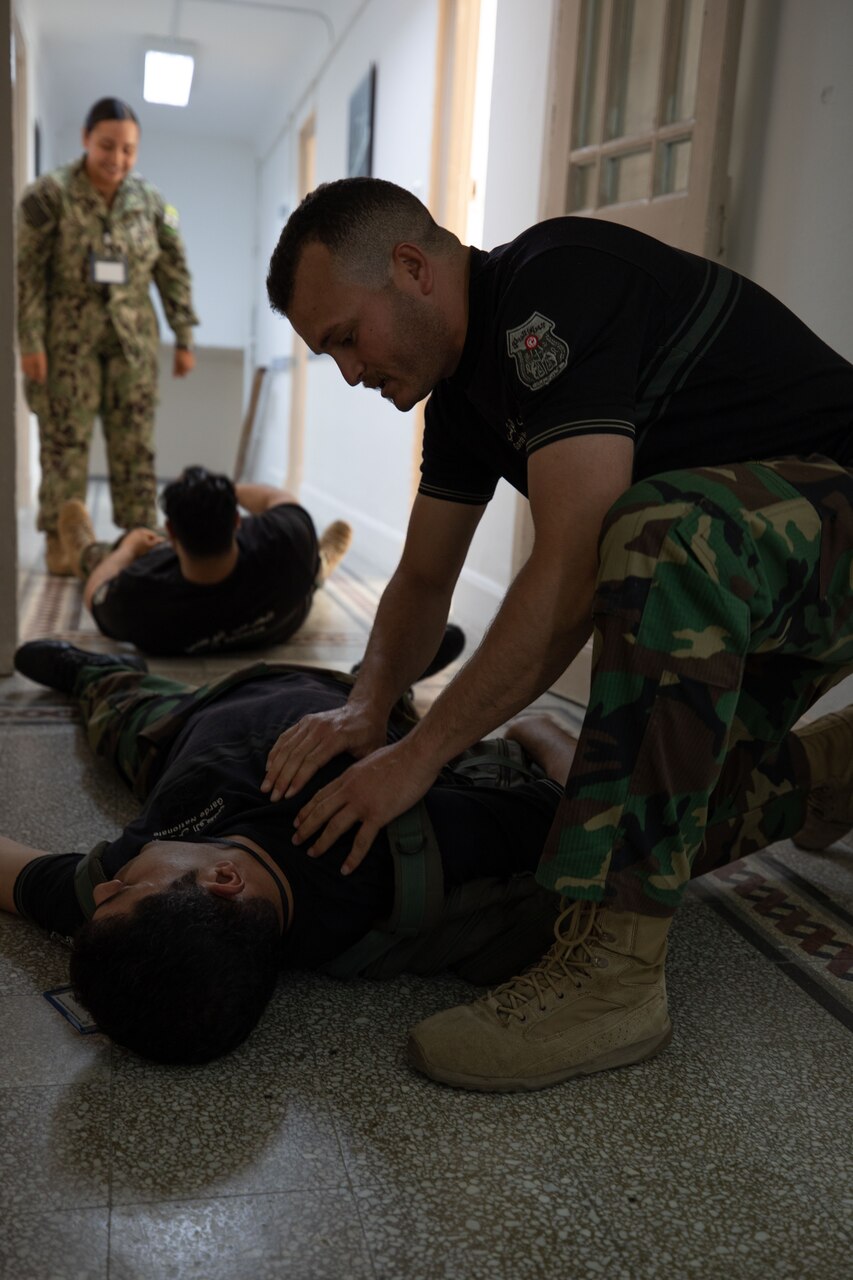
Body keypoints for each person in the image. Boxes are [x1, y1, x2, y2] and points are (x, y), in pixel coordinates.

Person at [262, 176, 853, 1092]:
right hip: (761, 571)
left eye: (344, 336)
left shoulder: (553, 285)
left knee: (654, 533)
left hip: (828, 515)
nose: (347, 370)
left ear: (411, 268)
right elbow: (423, 579)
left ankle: (616, 983)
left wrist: (419, 754)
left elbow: (574, 563)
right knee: (608, 839)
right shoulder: (459, 398)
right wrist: (366, 706)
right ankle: (829, 777)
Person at [5, 638, 578, 1064]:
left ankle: (103, 673)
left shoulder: (124, 914)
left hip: (178, 726)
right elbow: (582, 808)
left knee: (113, 703)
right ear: (223, 880)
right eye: (126, 892)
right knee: (384, 684)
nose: (106, 885)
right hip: (354, 703)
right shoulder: (394, 853)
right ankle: (390, 672)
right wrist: (539, 729)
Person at [16, 96, 199, 576]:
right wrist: (30, 341)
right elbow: (26, 273)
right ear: (85, 139)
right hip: (64, 345)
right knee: (63, 443)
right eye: (107, 146)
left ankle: (139, 541)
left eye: (128, 149)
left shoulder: (152, 202)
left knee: (135, 445)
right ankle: (62, 541)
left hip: (132, 346)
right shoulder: (48, 195)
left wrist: (183, 336)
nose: (117, 159)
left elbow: (173, 270)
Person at [55, 465, 353, 656]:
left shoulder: (136, 594)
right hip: (283, 620)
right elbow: (276, 497)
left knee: (134, 544)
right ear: (236, 520)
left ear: (172, 532)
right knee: (304, 562)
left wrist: (128, 550)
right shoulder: (288, 539)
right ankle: (320, 566)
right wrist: (220, 494)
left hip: (172, 587)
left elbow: (95, 592)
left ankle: (87, 554)